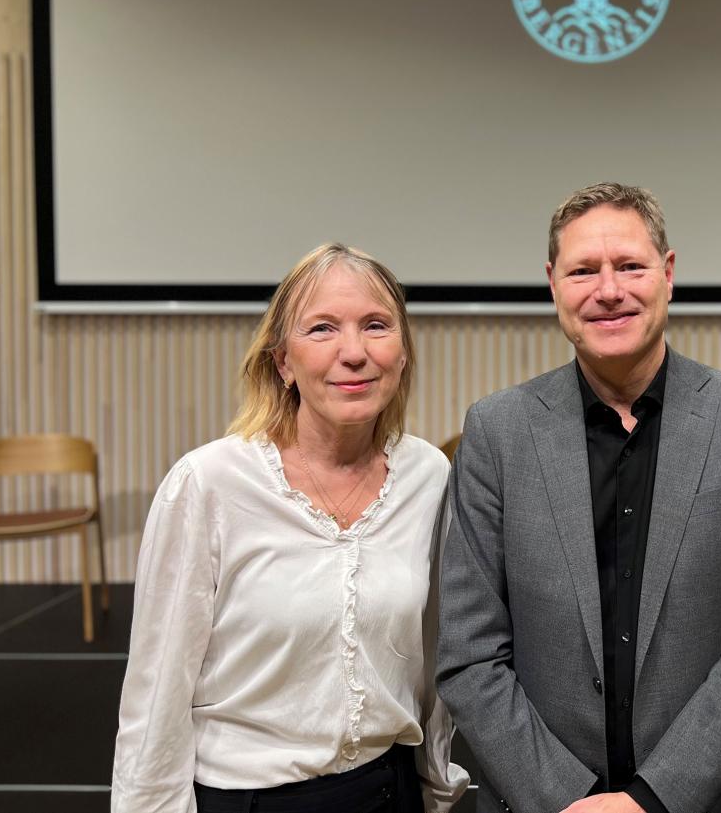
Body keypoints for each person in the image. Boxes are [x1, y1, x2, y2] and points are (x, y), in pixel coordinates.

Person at [437, 183, 721, 813]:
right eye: (583, 270)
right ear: (553, 283)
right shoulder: (497, 433)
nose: (608, 291)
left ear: (668, 274)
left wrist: (650, 800)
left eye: (630, 266)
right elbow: (469, 654)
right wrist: (568, 799)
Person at [112, 244, 468, 813]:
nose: (354, 353)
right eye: (322, 328)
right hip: (250, 800)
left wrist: (436, 788)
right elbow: (157, 694)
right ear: (282, 362)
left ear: (402, 354)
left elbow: (432, 658)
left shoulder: (429, 476)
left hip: (389, 792)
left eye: (376, 326)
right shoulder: (209, 484)